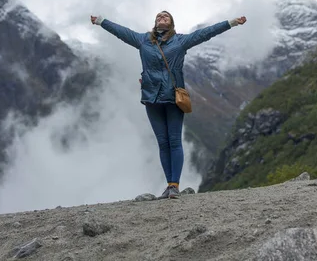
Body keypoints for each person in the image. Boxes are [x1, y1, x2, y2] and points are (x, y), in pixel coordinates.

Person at [90, 11, 246, 199]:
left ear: (171, 22)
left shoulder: (181, 41)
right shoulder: (142, 40)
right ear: (155, 22)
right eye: (158, 17)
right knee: (163, 143)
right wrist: (101, 21)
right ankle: (169, 186)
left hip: (173, 97)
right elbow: (121, 31)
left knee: (174, 140)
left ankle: (174, 185)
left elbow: (207, 32)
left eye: (165, 16)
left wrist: (232, 23)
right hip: (151, 98)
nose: (161, 17)